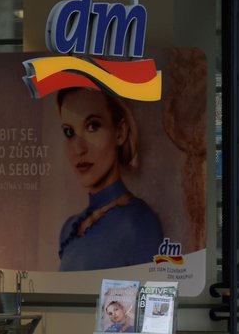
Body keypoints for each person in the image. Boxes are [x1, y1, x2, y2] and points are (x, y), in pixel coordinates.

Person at [55, 87, 164, 271]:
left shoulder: (139, 222)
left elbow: (151, 296)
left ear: (120, 132)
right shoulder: (69, 229)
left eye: (92, 126)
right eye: (69, 132)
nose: (78, 149)